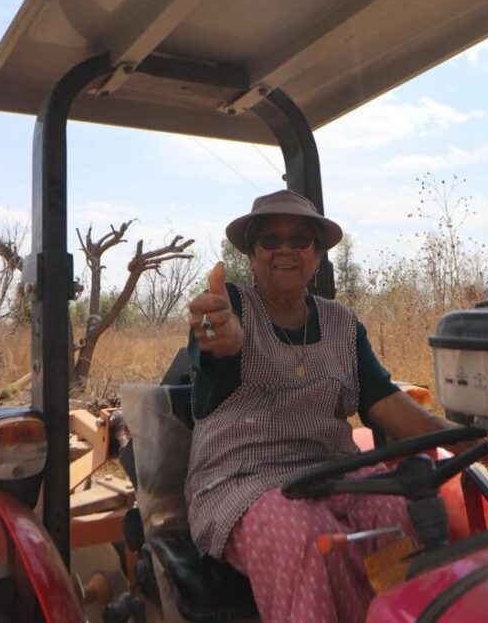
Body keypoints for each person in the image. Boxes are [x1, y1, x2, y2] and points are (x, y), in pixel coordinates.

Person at [184, 189, 461, 622]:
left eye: (299, 239)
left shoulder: (342, 323)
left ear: (317, 254)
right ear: (253, 256)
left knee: (401, 512)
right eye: (270, 241)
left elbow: (384, 401)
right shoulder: (233, 309)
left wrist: (461, 440)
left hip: (333, 472)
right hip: (244, 481)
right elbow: (218, 344)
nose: (286, 250)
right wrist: (224, 340)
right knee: (310, 536)